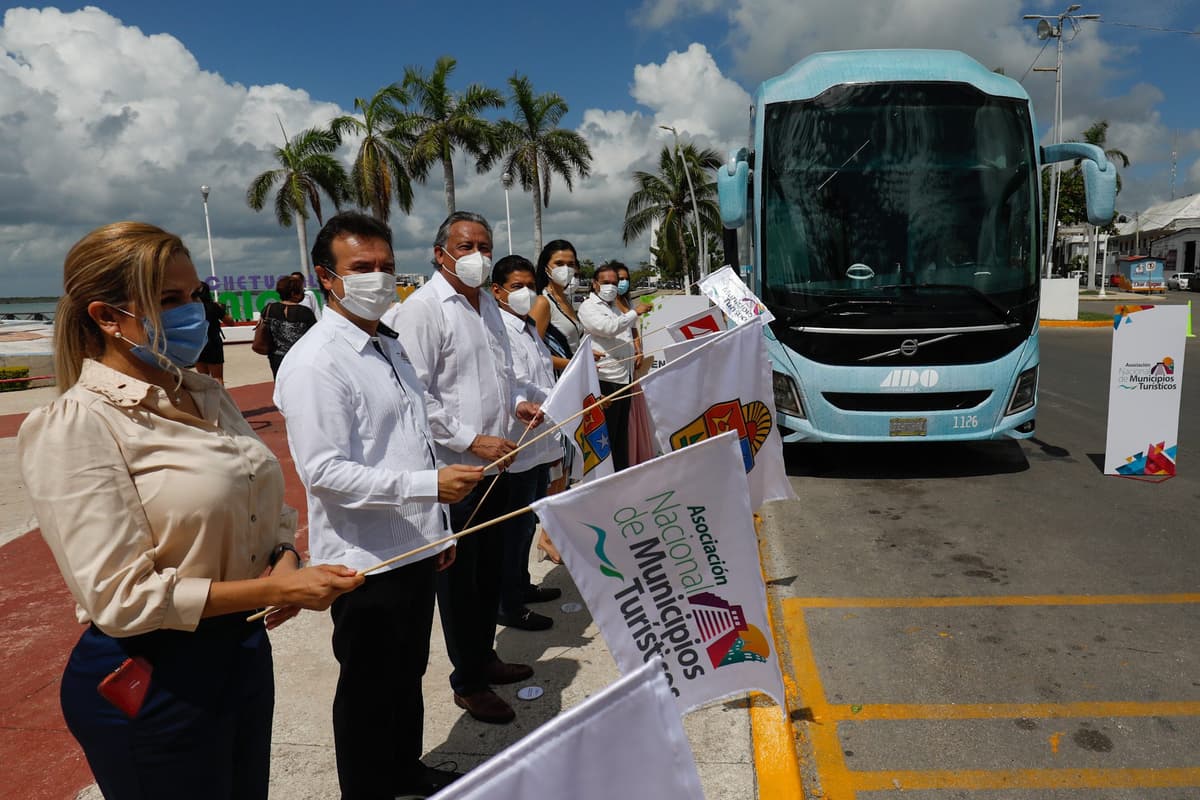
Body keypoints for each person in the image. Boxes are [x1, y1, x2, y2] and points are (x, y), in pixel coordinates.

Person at [17, 221, 362, 800]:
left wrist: (283, 557)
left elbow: (265, 507)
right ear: (105, 316)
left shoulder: (205, 393)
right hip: (153, 676)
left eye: (194, 295)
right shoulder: (78, 425)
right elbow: (122, 597)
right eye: (169, 301)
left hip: (241, 653)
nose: (192, 313)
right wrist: (277, 592)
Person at [276, 212, 482, 799]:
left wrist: (436, 530)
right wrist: (428, 489)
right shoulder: (317, 361)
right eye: (361, 268)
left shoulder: (387, 346)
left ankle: (404, 769)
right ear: (327, 277)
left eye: (387, 267)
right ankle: (368, 788)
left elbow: (411, 440)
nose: (378, 278)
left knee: (408, 675)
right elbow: (324, 472)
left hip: (414, 543)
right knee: (368, 687)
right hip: (365, 559)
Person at [386, 211, 545, 726]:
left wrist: (518, 403)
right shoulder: (425, 310)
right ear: (440, 253)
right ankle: (468, 682)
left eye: (484, 245)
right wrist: (470, 439)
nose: (477, 253)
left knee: (489, 573)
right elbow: (414, 393)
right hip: (457, 473)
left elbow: (503, 374)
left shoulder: (487, 307)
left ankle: (484, 658)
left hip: (497, 465)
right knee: (461, 585)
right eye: (465, 244)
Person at [490, 255, 564, 632]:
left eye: (530, 286)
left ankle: (522, 586)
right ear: (497, 291)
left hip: (540, 441)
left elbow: (540, 374)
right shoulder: (498, 330)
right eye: (517, 287)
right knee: (514, 531)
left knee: (528, 523)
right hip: (519, 441)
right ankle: (510, 604)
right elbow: (513, 382)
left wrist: (557, 395)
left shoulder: (528, 326)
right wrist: (547, 399)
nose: (526, 293)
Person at [578, 262, 653, 471]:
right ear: (595, 284)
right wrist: (634, 312)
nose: (611, 286)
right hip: (605, 380)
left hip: (623, 378)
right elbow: (607, 329)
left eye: (615, 282)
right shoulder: (588, 307)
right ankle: (605, 478)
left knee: (621, 435)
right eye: (606, 282)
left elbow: (627, 333)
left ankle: (619, 476)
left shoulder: (614, 307)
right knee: (606, 435)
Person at [530, 239, 584, 373]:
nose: (566, 269)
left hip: (573, 376)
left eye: (570, 264)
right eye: (559, 263)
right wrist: (577, 362)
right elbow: (534, 353)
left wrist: (585, 355)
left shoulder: (565, 299)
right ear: (545, 267)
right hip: (557, 381)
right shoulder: (543, 302)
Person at [260, 275, 317, 376]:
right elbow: (314, 336)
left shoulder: (269, 308)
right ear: (293, 293)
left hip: (276, 358)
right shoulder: (305, 312)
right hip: (300, 358)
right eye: (301, 291)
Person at [195, 282, 232, 384]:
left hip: (197, 344)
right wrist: (221, 310)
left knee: (203, 378)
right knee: (217, 378)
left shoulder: (192, 309)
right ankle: (220, 399)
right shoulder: (214, 307)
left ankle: (206, 400)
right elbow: (231, 322)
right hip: (213, 343)